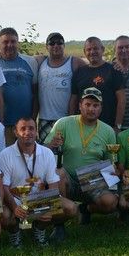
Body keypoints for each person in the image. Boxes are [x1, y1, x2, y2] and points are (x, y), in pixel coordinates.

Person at [0, 117, 78, 245]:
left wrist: (45, 207)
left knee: (71, 208)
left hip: (40, 199)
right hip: (15, 199)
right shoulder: (5, 154)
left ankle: (39, 228)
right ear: (15, 132)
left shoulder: (47, 153)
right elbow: (4, 187)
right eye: (23, 129)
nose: (27, 132)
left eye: (31, 128)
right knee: (4, 216)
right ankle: (15, 232)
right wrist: (15, 208)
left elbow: (53, 185)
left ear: (36, 132)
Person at [46, 87, 119, 223]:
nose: (91, 109)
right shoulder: (63, 123)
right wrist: (52, 144)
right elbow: (43, 152)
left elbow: (110, 165)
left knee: (111, 203)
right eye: (87, 104)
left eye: (95, 105)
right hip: (68, 180)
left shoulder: (108, 131)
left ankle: (85, 209)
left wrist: (113, 188)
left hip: (92, 181)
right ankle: (59, 223)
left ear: (101, 108)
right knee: (58, 173)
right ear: (80, 106)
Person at [36, 32, 85, 143]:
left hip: (67, 119)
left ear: (64, 45)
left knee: (66, 151)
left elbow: (94, 67)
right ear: (46, 46)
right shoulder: (40, 61)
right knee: (46, 150)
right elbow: (21, 58)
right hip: (45, 119)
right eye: (52, 43)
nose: (56, 45)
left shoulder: (74, 62)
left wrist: (116, 64)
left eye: (59, 43)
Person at [69, 37, 125, 131]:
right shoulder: (78, 73)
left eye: (95, 48)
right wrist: (71, 123)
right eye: (89, 49)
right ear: (84, 52)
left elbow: (122, 100)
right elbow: (73, 100)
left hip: (107, 126)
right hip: (82, 127)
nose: (92, 52)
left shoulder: (113, 70)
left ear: (102, 49)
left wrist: (117, 125)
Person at [0, 27, 38, 146]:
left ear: (17, 43)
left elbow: (35, 94)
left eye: (13, 41)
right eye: (5, 42)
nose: (10, 45)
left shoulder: (30, 62)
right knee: (6, 155)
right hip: (3, 124)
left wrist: (33, 119)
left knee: (27, 155)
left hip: (26, 125)